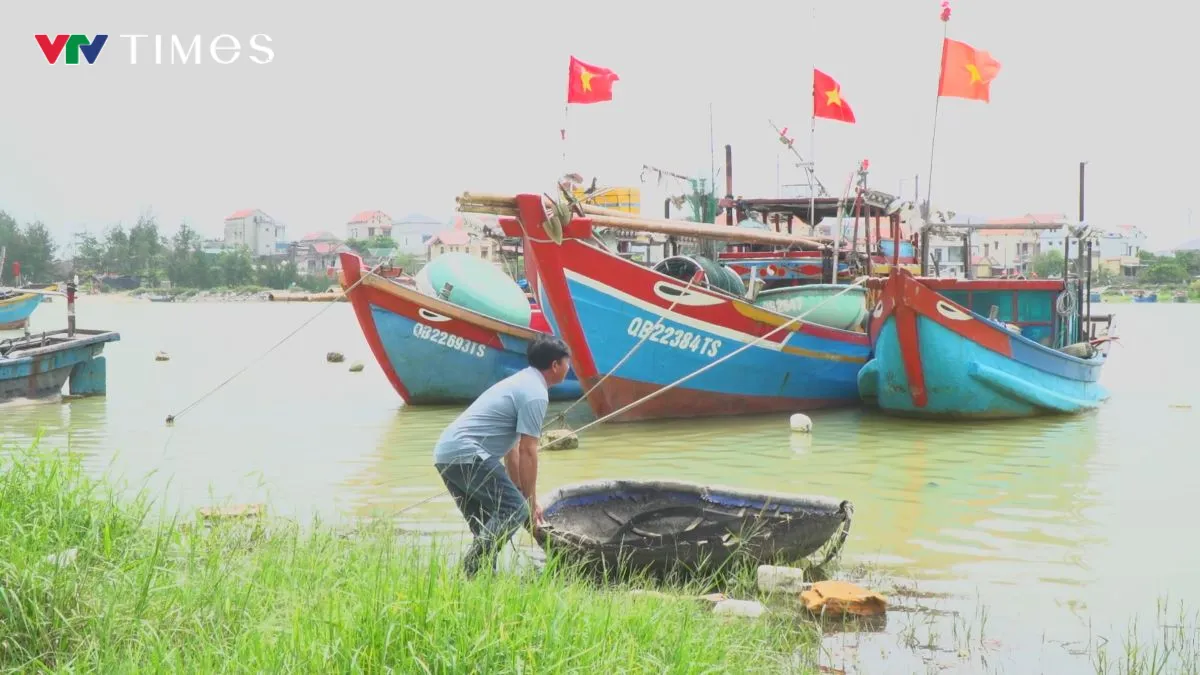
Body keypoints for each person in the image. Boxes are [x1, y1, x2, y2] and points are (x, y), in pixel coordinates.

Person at [432, 334, 572, 575]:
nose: (569, 367)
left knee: (485, 525)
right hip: (467, 453)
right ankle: (471, 565)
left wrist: (519, 489)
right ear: (556, 365)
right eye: (567, 362)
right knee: (515, 511)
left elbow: (513, 449)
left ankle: (479, 583)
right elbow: (529, 451)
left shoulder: (521, 381)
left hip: (446, 454)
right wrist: (528, 501)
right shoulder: (536, 393)